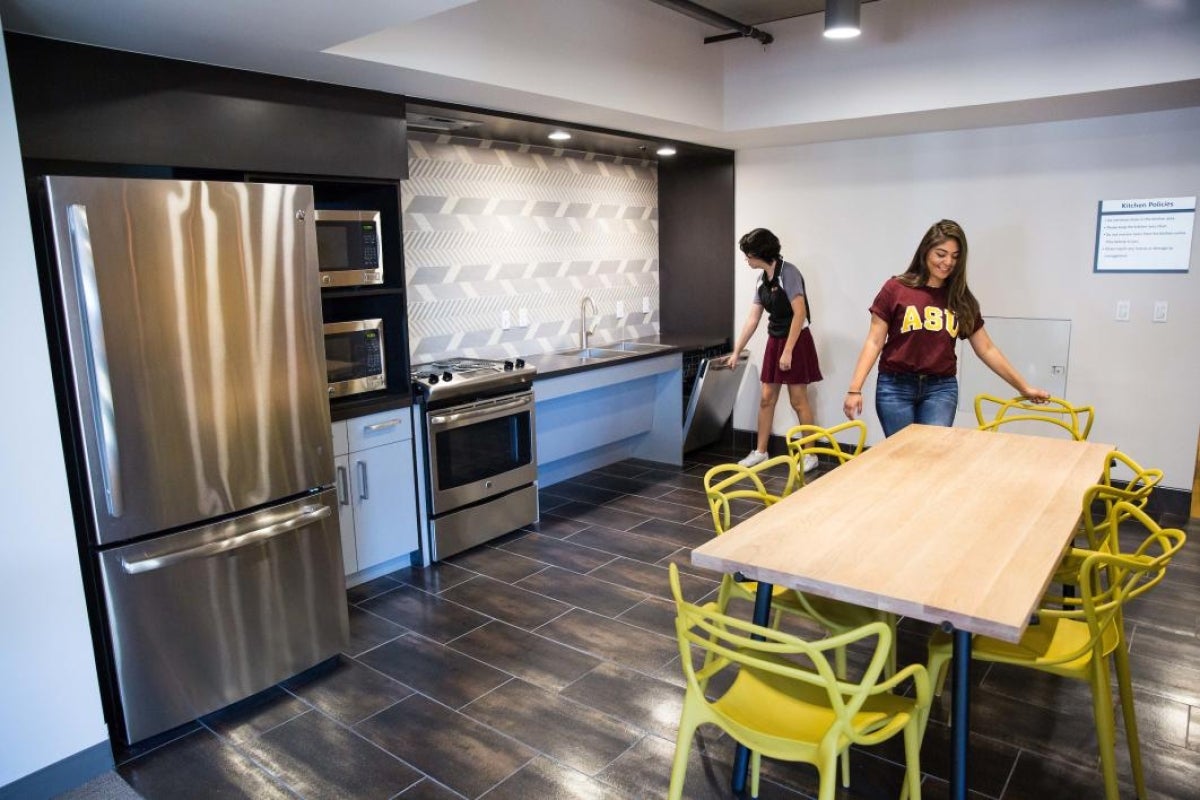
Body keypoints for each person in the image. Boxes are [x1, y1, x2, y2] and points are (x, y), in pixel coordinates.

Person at [843, 219, 1049, 436]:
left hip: (940, 389)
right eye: (941, 254)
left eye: (955, 256)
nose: (948, 262)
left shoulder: (960, 299)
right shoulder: (895, 289)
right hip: (896, 387)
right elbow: (874, 341)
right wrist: (855, 388)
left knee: (932, 453)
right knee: (902, 457)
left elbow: (987, 349)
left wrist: (1023, 387)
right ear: (926, 252)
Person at [723, 228, 822, 471]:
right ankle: (760, 452)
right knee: (767, 399)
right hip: (775, 340)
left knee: (799, 401)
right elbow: (753, 319)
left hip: (796, 341)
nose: (746, 260)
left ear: (759, 254)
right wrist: (736, 351)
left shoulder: (789, 273)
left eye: (748, 255)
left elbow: (800, 313)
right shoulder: (761, 279)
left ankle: (810, 455)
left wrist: (788, 350)